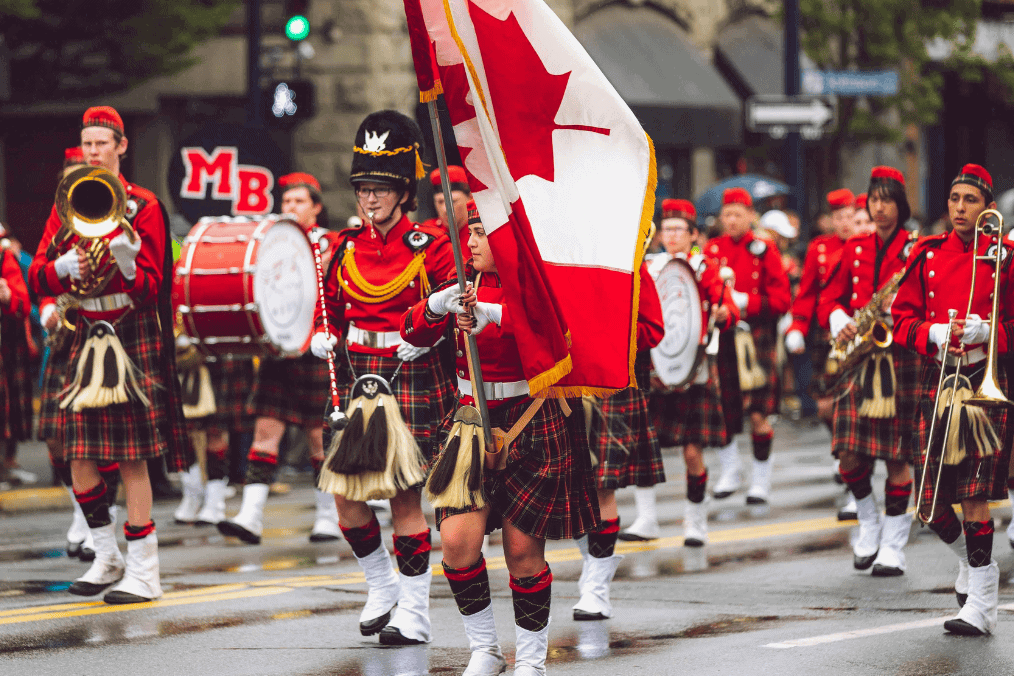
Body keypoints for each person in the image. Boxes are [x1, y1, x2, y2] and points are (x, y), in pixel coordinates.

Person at [399, 202, 599, 675]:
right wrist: (435, 305)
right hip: (469, 421)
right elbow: (409, 332)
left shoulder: (536, 282)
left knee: (523, 552)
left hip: (530, 418)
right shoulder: (463, 284)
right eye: (469, 232)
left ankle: (531, 661)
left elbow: (558, 335)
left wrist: (493, 313)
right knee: (456, 544)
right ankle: (485, 650)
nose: (470, 242)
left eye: (481, 233)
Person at [27, 106, 191, 603]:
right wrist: (58, 273)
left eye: (102, 143)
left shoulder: (144, 206)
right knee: (76, 454)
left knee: (132, 458)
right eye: (87, 144)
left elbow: (153, 287)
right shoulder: (66, 202)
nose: (93, 152)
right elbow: (36, 274)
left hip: (127, 330)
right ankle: (106, 555)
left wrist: (126, 257)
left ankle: (145, 570)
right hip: (80, 331)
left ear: (121, 146)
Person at [311, 110, 456, 645]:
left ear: (403, 192)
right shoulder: (345, 246)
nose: (370, 200)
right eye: (363, 188)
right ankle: (381, 584)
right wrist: (319, 334)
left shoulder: (432, 246)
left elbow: (452, 310)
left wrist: (429, 328)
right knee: (346, 497)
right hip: (357, 377)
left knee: (403, 502)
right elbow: (330, 307)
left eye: (381, 189)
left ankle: (415, 614)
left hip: (408, 376)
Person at [892, 163, 1011, 635]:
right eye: (954, 199)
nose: (960, 208)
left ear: (988, 210)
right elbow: (900, 321)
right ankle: (976, 565)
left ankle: (981, 602)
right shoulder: (926, 256)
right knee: (931, 503)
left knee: (975, 493)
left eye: (971, 201)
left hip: (985, 382)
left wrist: (992, 331)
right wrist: (933, 332)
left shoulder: (1006, 257)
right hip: (938, 379)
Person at [216, 172, 342, 543]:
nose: (291, 208)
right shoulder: (272, 243)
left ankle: (327, 516)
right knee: (265, 432)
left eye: (299, 202)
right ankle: (251, 516)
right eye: (286, 202)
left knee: (319, 439)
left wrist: (326, 331)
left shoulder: (330, 244)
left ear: (316, 208)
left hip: (316, 348)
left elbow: (335, 294)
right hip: (280, 350)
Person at [818, 166, 919, 577]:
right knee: (848, 455)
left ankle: (894, 544)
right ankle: (869, 520)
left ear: (900, 204)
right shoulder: (856, 247)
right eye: (873, 200)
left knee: (897, 458)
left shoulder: (917, 246)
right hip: (858, 358)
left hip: (900, 360)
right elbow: (829, 296)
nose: (879, 208)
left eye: (887, 200)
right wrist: (838, 315)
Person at [572, 217, 663, 617]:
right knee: (571, 488)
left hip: (613, 383)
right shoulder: (566, 261)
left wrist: (610, 334)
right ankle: (593, 564)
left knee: (601, 486)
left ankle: (596, 586)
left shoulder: (634, 265)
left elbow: (654, 329)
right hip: (568, 384)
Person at [37, 148, 122, 560]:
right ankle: (80, 509)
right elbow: (38, 276)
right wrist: (48, 305)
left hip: (105, 336)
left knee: (100, 440)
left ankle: (100, 521)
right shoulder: (57, 227)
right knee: (59, 437)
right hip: (66, 337)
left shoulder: (112, 217)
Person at [644, 199, 739, 549]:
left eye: (677, 230)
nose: (670, 236)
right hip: (656, 367)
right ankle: (646, 518)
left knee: (691, 452)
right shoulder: (650, 267)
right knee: (646, 448)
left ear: (693, 234)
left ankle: (695, 519)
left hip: (693, 367)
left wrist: (721, 315)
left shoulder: (705, 268)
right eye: (665, 229)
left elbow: (728, 308)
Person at [706, 188, 791, 503]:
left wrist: (747, 302)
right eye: (726, 214)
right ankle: (730, 471)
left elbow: (782, 299)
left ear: (751, 216)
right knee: (723, 411)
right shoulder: (712, 249)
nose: (731, 220)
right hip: (723, 337)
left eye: (737, 214)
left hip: (756, 338)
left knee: (758, 413)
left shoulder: (764, 249)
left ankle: (761, 479)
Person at [785, 189, 856, 431]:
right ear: (830, 221)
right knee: (824, 405)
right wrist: (797, 326)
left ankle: (849, 456)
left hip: (861, 331)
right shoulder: (820, 247)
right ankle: (840, 449)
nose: (844, 223)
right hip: (826, 334)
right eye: (838, 218)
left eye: (849, 217)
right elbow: (807, 293)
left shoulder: (867, 244)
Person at [424, 165, 471, 252]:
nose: (445, 209)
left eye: (453, 202)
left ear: (470, 198)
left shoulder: (482, 232)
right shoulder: (428, 232)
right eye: (440, 202)